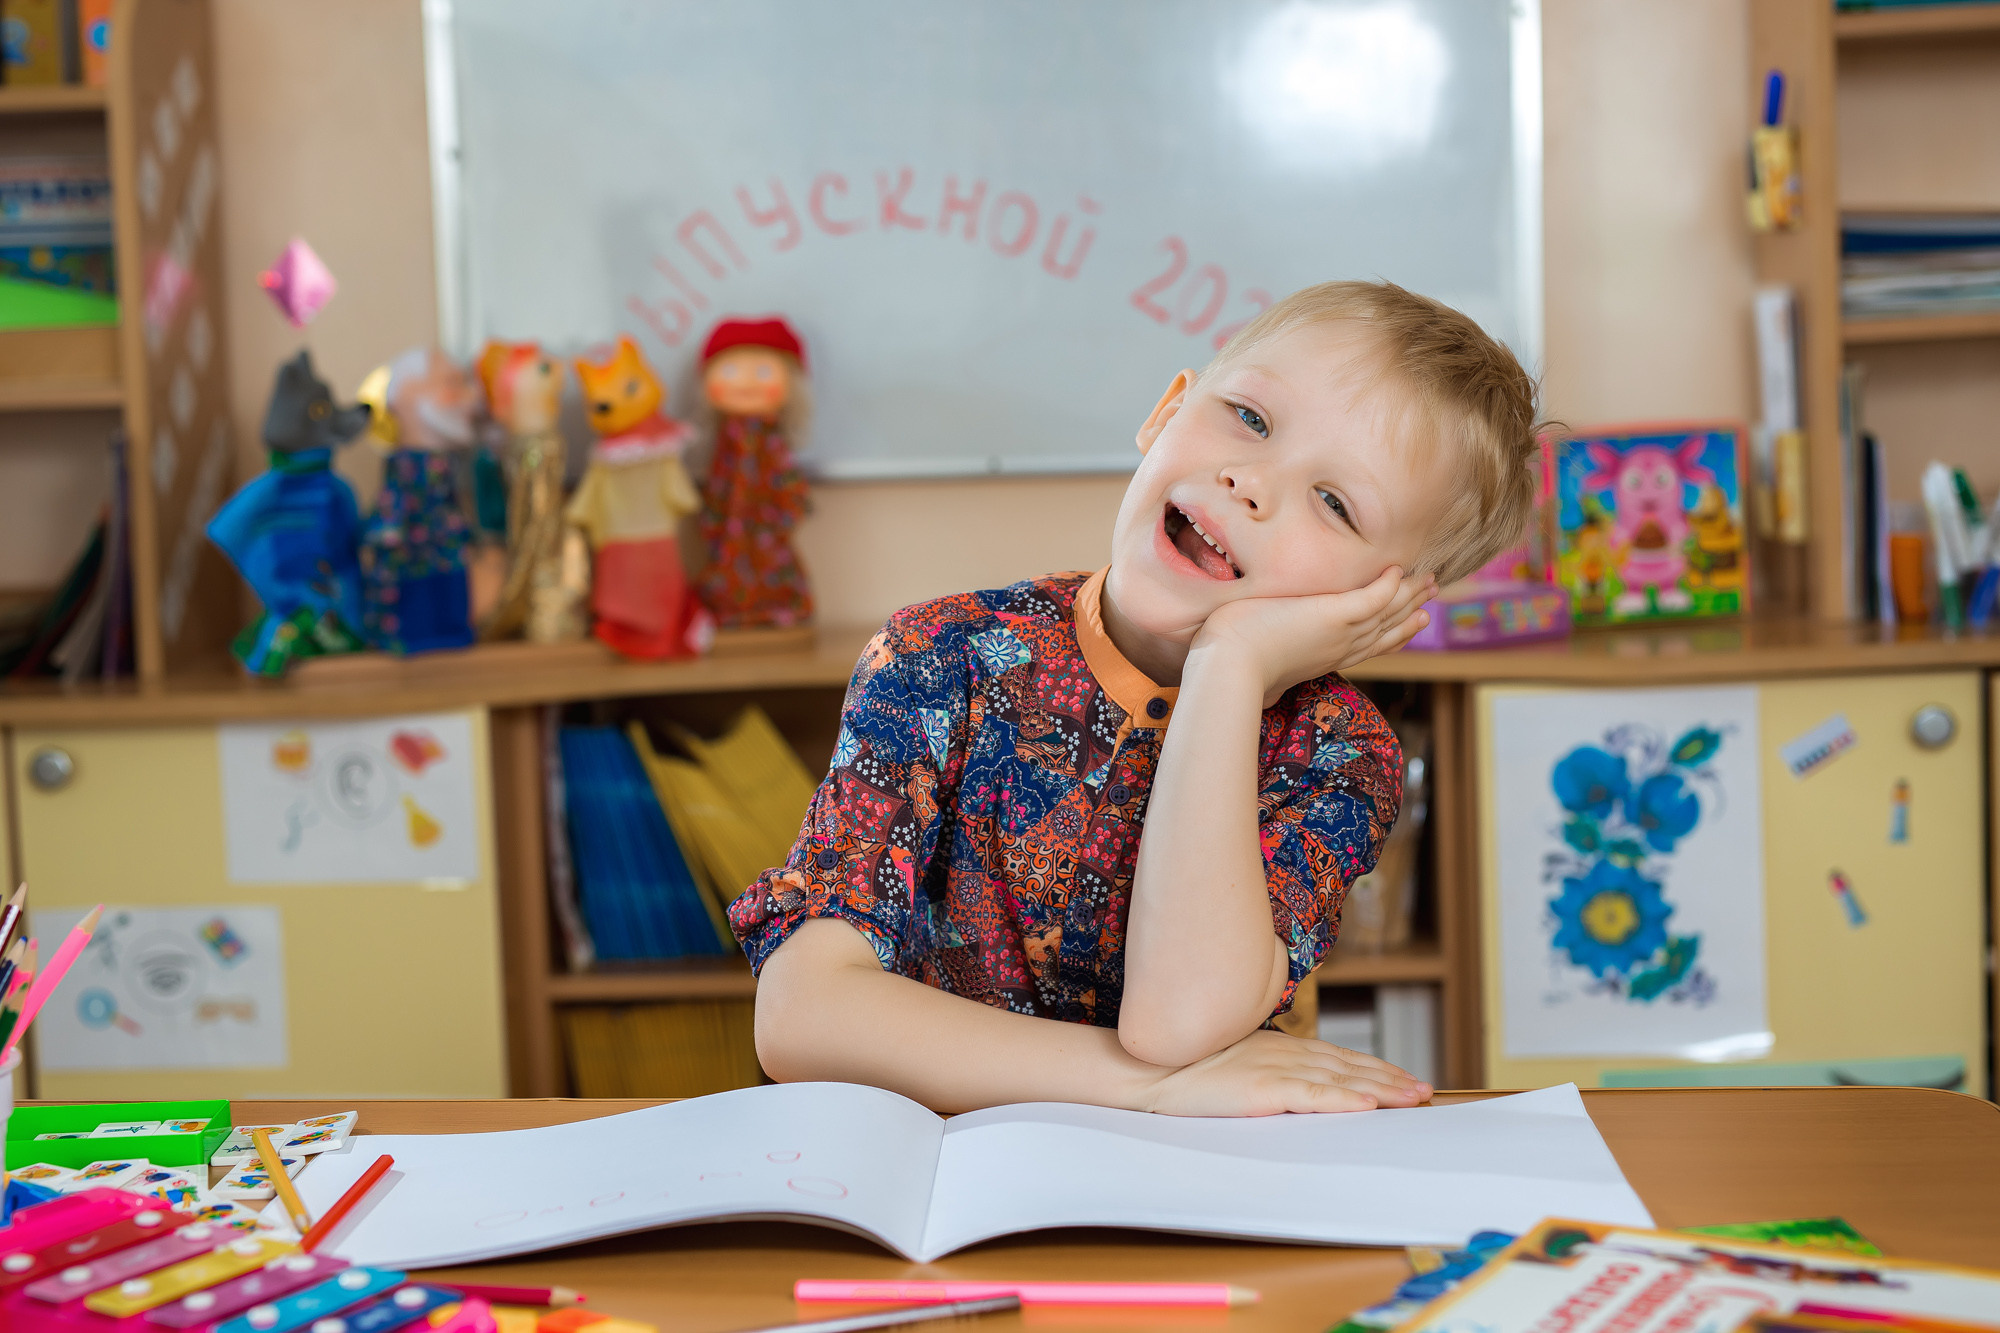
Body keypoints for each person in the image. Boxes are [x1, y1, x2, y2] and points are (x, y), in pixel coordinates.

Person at [731, 281, 1542, 1116]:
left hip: (1190, 1183)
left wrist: (1230, 665)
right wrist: (1151, 1087)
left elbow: (1178, 1020)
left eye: (1334, 502)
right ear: (1165, 413)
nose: (1250, 479)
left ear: (1387, 598)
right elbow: (801, 1014)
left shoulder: (1343, 758)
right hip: (945, 1167)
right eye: (1252, 419)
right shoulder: (937, 659)